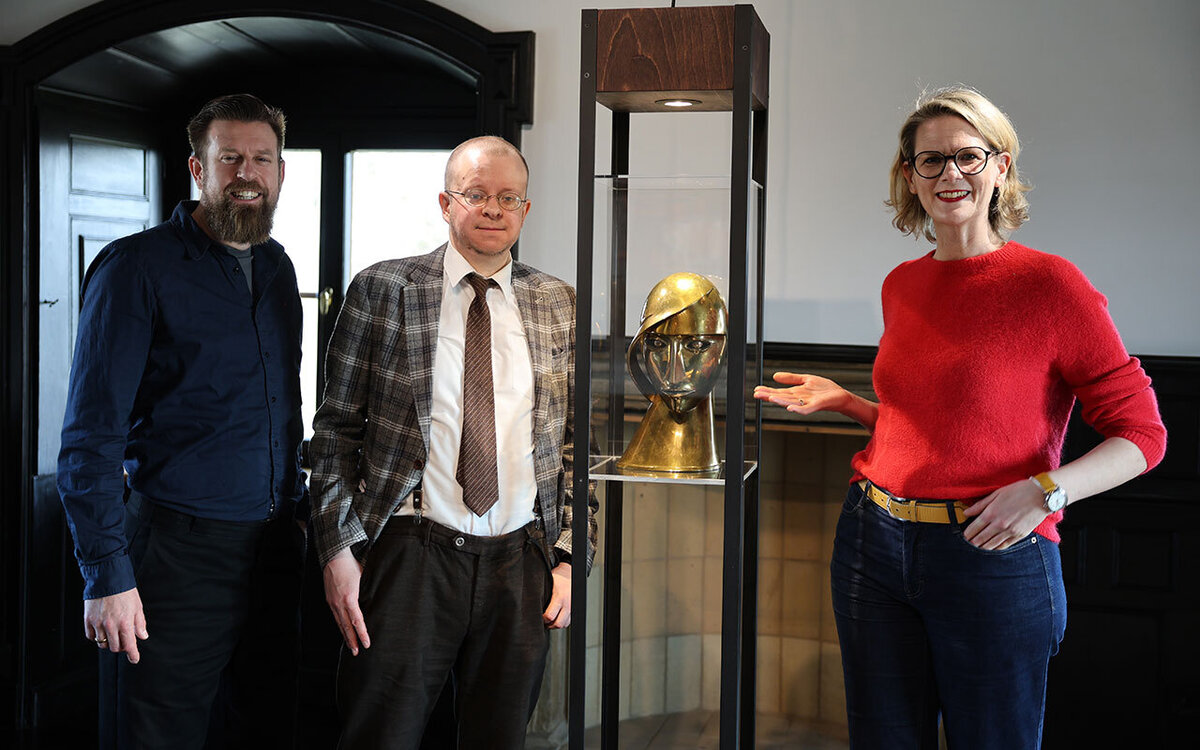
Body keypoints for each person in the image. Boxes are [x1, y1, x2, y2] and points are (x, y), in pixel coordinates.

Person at [755, 86, 1166, 749]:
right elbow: (940, 430)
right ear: (911, 177)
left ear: (1000, 167)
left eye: (968, 156)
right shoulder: (902, 285)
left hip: (992, 555)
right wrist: (851, 403)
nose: (950, 174)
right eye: (931, 160)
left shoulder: (1052, 286)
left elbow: (1143, 436)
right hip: (871, 542)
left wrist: (1046, 491)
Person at [310, 135, 597, 749]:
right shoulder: (383, 290)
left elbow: (575, 448)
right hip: (409, 557)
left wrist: (572, 558)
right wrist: (337, 552)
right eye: (476, 194)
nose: (493, 208)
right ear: (446, 203)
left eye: (508, 197)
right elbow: (333, 433)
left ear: (526, 209)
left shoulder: (559, 303)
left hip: (521, 563)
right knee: (380, 735)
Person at [57, 93, 307, 750]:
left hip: (274, 553)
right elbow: (88, 438)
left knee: (262, 730)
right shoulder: (135, 268)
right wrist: (106, 576)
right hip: (175, 558)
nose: (247, 174)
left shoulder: (278, 268)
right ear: (198, 168)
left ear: (281, 172)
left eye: (262, 159)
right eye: (230, 158)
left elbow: (284, 412)